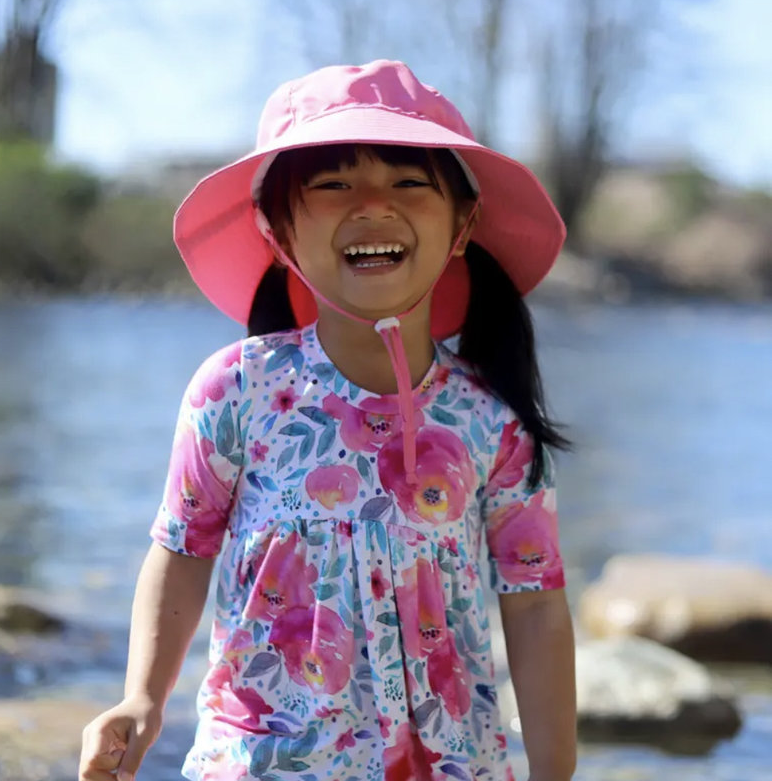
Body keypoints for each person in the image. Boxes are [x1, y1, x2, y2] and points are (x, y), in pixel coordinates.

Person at [79, 59, 576, 781]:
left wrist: (554, 772)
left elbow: (534, 609)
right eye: (333, 183)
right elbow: (183, 550)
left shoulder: (491, 422)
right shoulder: (238, 390)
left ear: (464, 223)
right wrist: (141, 699)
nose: (373, 205)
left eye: (409, 183)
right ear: (278, 228)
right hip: (258, 762)